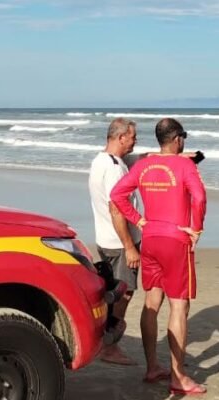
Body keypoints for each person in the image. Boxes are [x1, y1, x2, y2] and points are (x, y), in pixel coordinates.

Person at [111, 118, 207, 394]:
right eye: (183, 137)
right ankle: (178, 376)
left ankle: (152, 366)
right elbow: (199, 198)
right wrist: (197, 228)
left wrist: (139, 220)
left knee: (152, 301)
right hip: (176, 240)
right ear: (177, 139)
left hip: (151, 239)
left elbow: (117, 194)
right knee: (179, 306)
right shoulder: (186, 165)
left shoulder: (144, 164)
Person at [88, 117, 141, 365]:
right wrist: (130, 246)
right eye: (133, 137)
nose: (135, 140)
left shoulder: (104, 160)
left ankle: (105, 339)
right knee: (124, 292)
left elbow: (139, 158)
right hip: (120, 242)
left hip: (106, 237)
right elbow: (116, 208)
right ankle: (110, 346)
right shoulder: (114, 168)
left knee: (112, 290)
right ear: (121, 138)